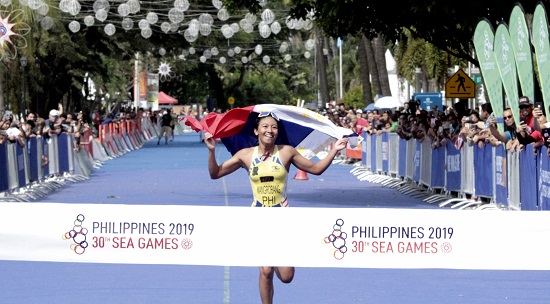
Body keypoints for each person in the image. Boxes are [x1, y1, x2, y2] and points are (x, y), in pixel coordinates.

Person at [203, 112, 348, 304]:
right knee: (266, 270)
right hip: (259, 218)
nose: (269, 130)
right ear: (256, 131)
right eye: (265, 126)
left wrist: (334, 150)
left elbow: (316, 169)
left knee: (287, 276)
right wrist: (212, 151)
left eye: (273, 127)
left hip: (282, 217)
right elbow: (216, 173)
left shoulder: (287, 152)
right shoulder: (245, 155)